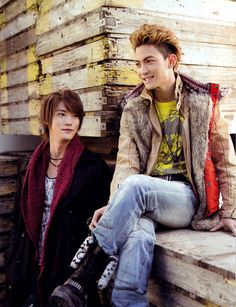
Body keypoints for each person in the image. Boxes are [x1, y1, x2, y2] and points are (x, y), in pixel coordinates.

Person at [50, 24, 236, 307]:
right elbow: (126, 163)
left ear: (170, 61)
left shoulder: (201, 102)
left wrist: (231, 211)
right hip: (143, 198)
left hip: (184, 199)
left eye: (149, 61)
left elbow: (225, 159)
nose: (142, 70)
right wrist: (116, 204)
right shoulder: (134, 109)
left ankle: (86, 274)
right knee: (136, 237)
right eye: (138, 63)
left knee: (137, 187)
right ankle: (127, 301)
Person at [4, 89, 111, 306]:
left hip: (65, 264)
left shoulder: (92, 168)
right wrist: (12, 260)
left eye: (75, 116)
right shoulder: (30, 165)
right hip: (27, 263)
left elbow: (101, 230)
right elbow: (18, 221)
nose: (69, 121)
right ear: (47, 118)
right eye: (62, 114)